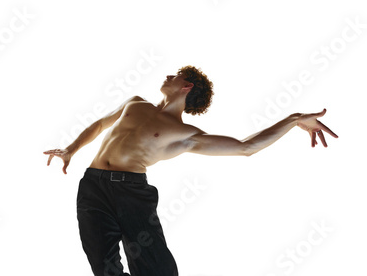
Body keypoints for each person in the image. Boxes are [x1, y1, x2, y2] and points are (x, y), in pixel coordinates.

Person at [43, 65, 338, 276]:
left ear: (187, 87)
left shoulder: (184, 133)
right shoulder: (135, 103)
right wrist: (71, 149)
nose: (168, 76)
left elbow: (245, 146)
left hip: (131, 193)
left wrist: (294, 119)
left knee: (154, 268)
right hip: (93, 187)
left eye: (176, 75)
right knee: (102, 265)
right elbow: (99, 125)